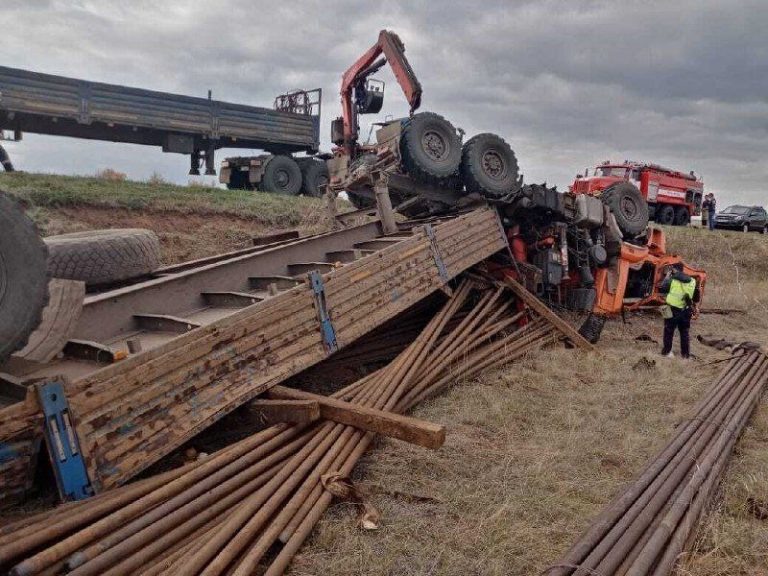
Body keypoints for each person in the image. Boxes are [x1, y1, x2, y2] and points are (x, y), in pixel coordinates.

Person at [658, 263, 700, 358]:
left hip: (670, 308)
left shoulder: (672, 279)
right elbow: (696, 297)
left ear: (674, 270)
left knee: (668, 330)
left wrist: (667, 276)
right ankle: (685, 355)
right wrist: (695, 307)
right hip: (686, 310)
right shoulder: (693, 281)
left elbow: (662, 289)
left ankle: (667, 352)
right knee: (684, 332)